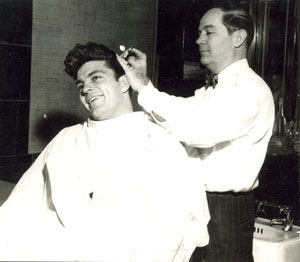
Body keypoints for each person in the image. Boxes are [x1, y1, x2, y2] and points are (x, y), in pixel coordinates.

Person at [0, 42, 210, 261]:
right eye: (80, 85)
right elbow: (20, 208)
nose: (85, 88)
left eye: (96, 77)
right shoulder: (67, 139)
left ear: (124, 83)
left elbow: (180, 228)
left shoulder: (159, 142)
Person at [117, 6, 275, 262]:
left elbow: (196, 130)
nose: (198, 39)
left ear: (238, 38)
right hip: (198, 203)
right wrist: (143, 83)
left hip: (224, 212)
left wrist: (143, 89)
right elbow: (178, 113)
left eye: (209, 32)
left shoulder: (249, 90)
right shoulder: (215, 89)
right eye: (199, 32)